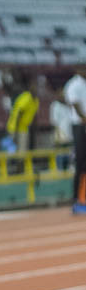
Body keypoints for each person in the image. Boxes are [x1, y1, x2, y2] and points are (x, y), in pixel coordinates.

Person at [64, 64, 86, 210]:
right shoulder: (73, 85)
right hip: (79, 125)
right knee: (81, 161)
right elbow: (76, 107)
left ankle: (83, 197)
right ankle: (77, 199)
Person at [5, 73, 38, 155]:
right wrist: (15, 132)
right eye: (33, 87)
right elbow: (19, 115)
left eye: (36, 87)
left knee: (22, 153)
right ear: (30, 88)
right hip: (14, 128)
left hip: (24, 128)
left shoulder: (36, 101)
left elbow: (34, 115)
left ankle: (20, 164)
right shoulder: (26, 98)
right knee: (12, 153)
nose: (35, 88)